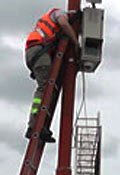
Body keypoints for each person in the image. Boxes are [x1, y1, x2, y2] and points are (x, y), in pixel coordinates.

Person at [24, 7, 80, 143]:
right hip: (39, 52)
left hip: (35, 52)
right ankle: (34, 125)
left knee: (47, 89)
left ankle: (40, 125)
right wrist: (75, 42)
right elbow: (64, 23)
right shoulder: (59, 13)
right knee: (45, 88)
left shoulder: (51, 27)